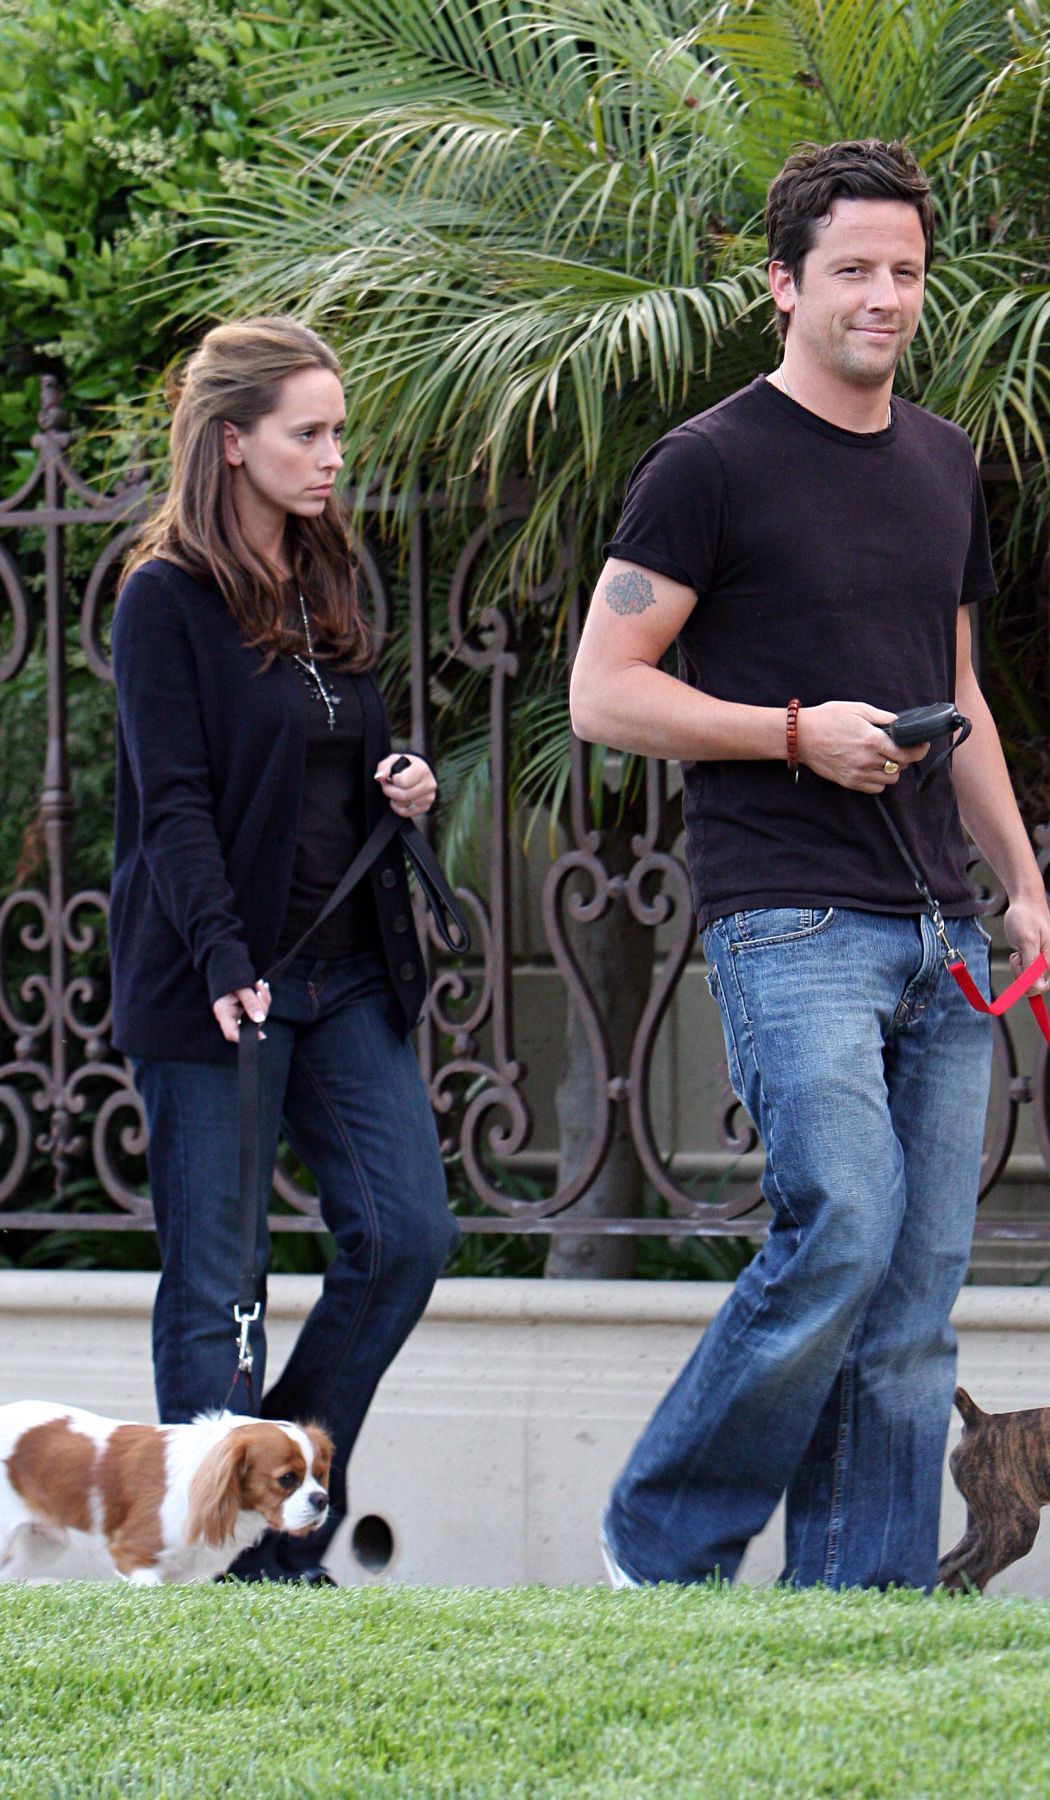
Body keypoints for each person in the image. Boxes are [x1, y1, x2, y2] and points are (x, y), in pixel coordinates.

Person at [570, 140, 1050, 1591]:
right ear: (784, 282)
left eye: (906, 270)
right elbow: (603, 691)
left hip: (941, 925)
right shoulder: (708, 463)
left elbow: (955, 691)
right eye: (853, 268)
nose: (884, 295)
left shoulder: (944, 462)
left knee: (914, 1299)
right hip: (788, 914)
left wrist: (1022, 884)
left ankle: (863, 1593)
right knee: (842, 1226)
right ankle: (662, 1539)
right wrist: (794, 734)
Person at [110, 316, 459, 1583]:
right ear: (231, 440)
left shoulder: (324, 576)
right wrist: (220, 959)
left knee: (407, 1233)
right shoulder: (164, 599)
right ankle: (211, 1567)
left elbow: (320, 757)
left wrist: (398, 783)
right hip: (218, 982)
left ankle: (278, 1499)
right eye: (307, 433)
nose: (331, 457)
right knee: (219, 1280)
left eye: (337, 432)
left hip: (342, 967)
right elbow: (174, 803)